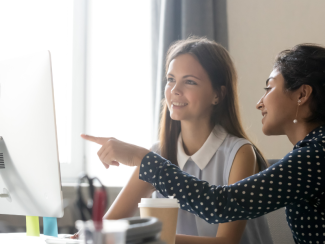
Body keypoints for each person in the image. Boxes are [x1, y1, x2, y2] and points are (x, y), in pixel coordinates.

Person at [83, 43, 325, 244]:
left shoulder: (314, 155)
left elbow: (221, 205)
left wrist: (142, 159)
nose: (260, 102)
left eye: (269, 88)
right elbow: (106, 227)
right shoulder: (312, 153)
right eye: (170, 79)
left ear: (302, 95)